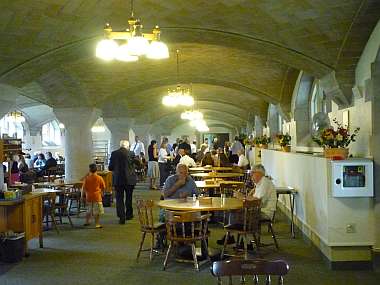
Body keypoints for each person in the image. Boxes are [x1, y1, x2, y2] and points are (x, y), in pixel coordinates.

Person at [108, 140, 139, 224]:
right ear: (127, 146)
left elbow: (110, 167)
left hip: (118, 179)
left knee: (119, 198)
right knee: (129, 198)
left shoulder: (114, 153)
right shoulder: (131, 153)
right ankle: (129, 215)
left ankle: (122, 217)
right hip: (130, 179)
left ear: (120, 145)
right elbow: (138, 163)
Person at [82, 163, 106, 228]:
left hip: (89, 196)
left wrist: (82, 196)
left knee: (88, 210)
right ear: (96, 170)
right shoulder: (99, 178)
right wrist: (103, 193)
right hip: (97, 196)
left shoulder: (87, 178)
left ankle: (87, 221)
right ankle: (97, 224)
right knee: (96, 211)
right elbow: (103, 187)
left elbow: (83, 188)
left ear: (89, 170)